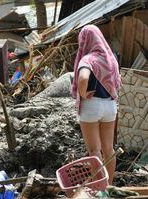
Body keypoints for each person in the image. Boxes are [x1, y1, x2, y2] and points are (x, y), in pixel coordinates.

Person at [71, 25, 121, 185]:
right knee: (109, 149)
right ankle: (109, 186)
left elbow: (83, 78)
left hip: (92, 106)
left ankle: (99, 187)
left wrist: (83, 93)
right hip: (110, 105)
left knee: (94, 151)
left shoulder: (88, 58)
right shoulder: (111, 57)